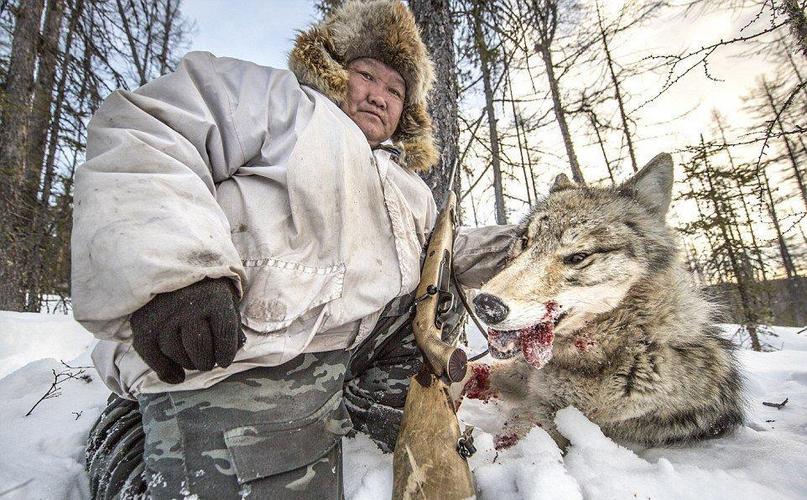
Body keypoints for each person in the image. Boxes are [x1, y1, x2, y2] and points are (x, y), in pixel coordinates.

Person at [75, 1, 516, 498]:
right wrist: (178, 274)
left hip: (348, 351)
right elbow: (148, 129)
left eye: (396, 90)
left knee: (439, 296)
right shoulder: (278, 100)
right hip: (237, 351)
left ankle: (365, 413)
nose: (379, 96)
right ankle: (133, 432)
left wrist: (524, 244)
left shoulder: (408, 185)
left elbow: (435, 256)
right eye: (367, 75)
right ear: (332, 69)